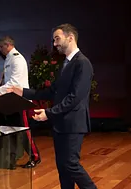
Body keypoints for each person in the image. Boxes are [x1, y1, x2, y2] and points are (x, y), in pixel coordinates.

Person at [8, 23, 97, 189]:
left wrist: (49, 113)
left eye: (57, 38)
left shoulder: (82, 63)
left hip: (73, 123)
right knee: (63, 167)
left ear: (70, 38)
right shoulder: (66, 64)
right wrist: (23, 92)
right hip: (62, 123)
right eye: (54, 39)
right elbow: (52, 91)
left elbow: (75, 97)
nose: (54, 43)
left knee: (70, 164)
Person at [0, 36, 41, 169]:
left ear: (7, 45)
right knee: (11, 130)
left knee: (23, 131)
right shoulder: (10, 59)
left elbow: (15, 83)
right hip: (11, 100)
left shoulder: (17, 59)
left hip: (20, 101)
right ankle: (12, 159)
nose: (0, 50)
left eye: (1, 47)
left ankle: (35, 156)